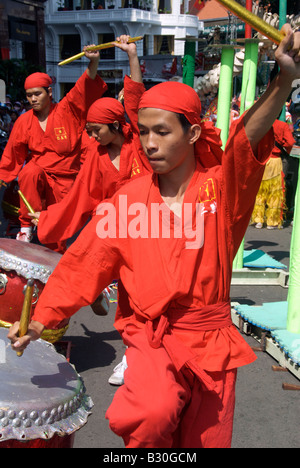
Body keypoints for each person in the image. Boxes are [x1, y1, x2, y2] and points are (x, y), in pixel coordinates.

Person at [8, 25, 300, 448]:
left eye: (162, 131)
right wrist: (41, 320)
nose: (149, 143)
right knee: (149, 415)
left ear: (194, 133)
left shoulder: (221, 191)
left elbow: (243, 141)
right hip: (151, 341)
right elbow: (84, 263)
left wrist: (284, 77)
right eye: (143, 131)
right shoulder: (127, 199)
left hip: (211, 343)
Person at [0, 45, 107, 251]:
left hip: (66, 182)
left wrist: (93, 62)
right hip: (38, 180)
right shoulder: (23, 121)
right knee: (29, 171)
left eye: (37, 94)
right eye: (29, 95)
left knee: (55, 240)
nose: (32, 99)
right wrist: (3, 178)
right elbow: (13, 153)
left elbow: (82, 88)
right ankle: (25, 226)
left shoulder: (68, 110)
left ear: (49, 92)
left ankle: (54, 267)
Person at [251, 118, 295, 229]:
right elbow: (290, 142)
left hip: (261, 160)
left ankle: (258, 220)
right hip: (275, 160)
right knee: (275, 192)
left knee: (259, 191)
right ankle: (272, 221)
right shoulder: (282, 125)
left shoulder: (261, 123)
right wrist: (285, 149)